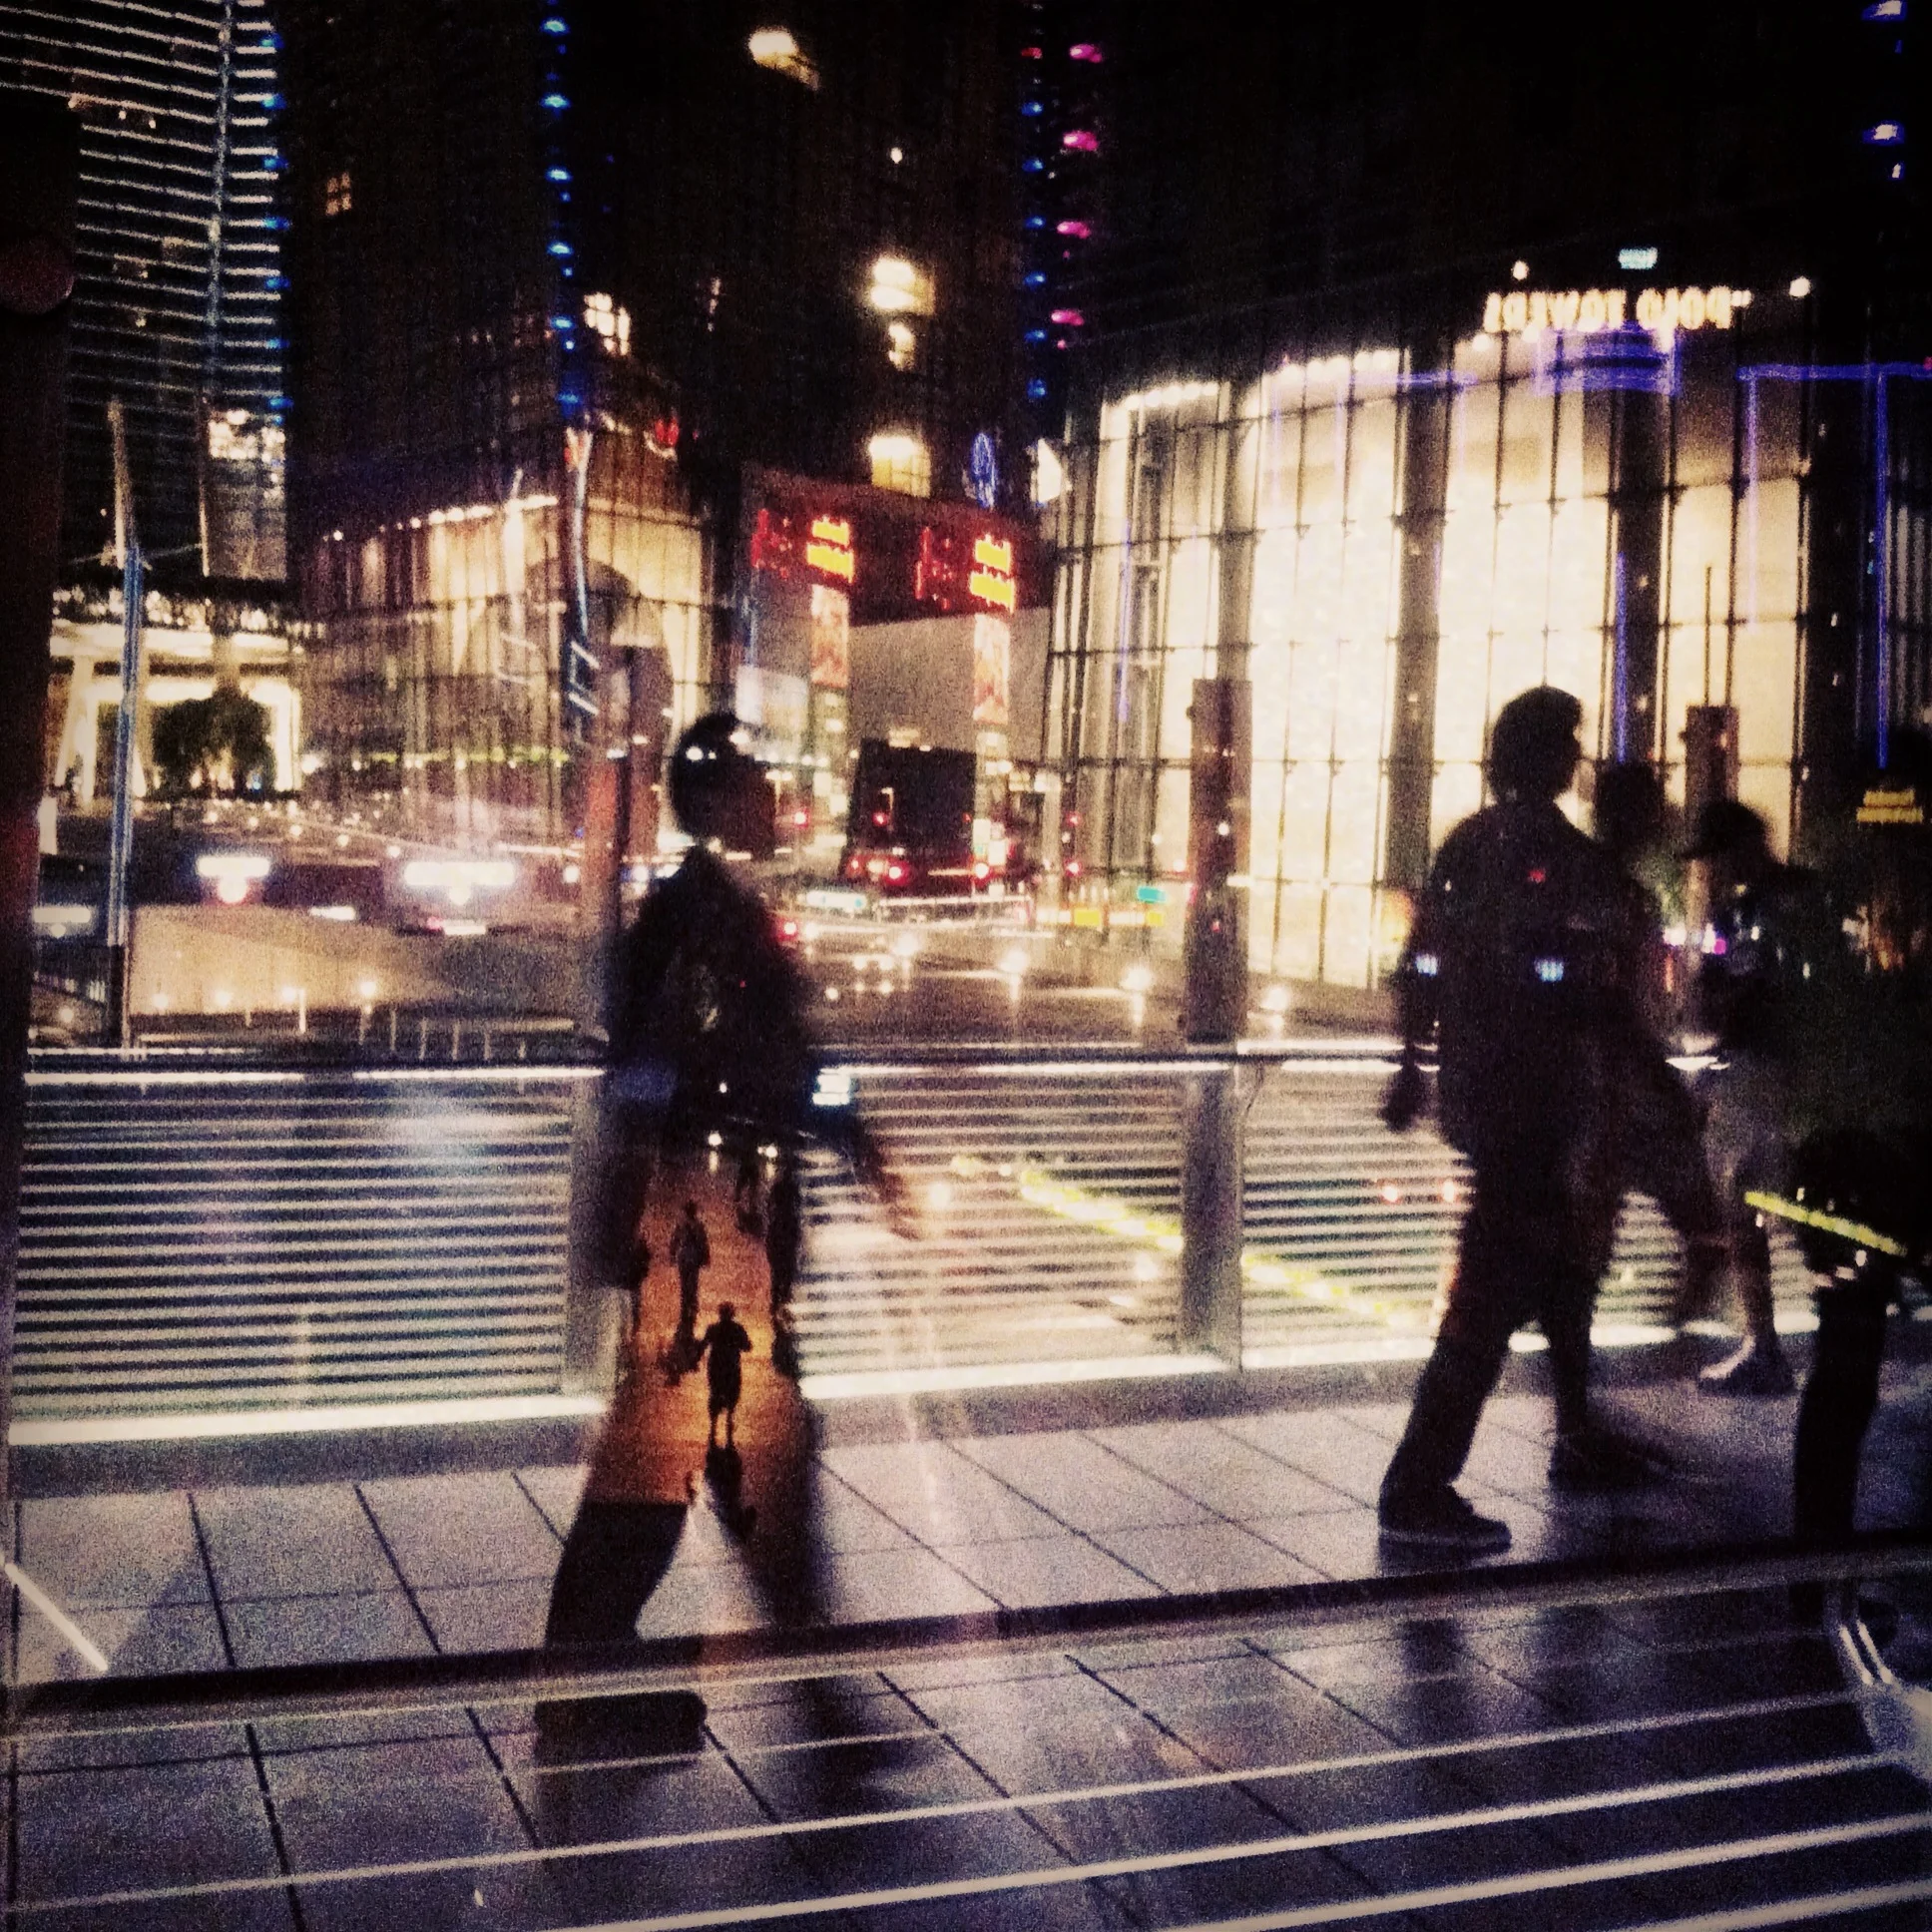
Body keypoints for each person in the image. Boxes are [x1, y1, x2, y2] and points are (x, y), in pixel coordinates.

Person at [1379, 687, 1650, 1552]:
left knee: (1552, 1274)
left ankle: (1569, 1434)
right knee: (1492, 1292)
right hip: (1539, 1104)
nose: (1577, 757)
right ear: (1546, 756)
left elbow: (1421, 961)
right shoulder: (1564, 860)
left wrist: (1412, 1067)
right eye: (1569, 742)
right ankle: (1419, 1485)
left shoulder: (1468, 844)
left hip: (1482, 1095)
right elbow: (1593, 992)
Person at [1683, 799, 1846, 1393]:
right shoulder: (1811, 897)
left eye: (1711, 859)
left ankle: (1768, 1345)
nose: (1707, 871)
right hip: (1805, 1077)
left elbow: (1716, 1001)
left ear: (1736, 851)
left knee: (1748, 1201)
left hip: (1768, 1078)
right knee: (1795, 1201)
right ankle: (1826, 1335)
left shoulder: (1743, 913)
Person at [1580, 762, 1730, 1336]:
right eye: (1654, 808)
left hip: (1601, 1085)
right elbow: (1616, 1004)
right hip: (1619, 1086)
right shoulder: (1617, 895)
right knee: (1687, 1202)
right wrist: (1661, 1079)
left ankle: (1574, 1371)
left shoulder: (1602, 885)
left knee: (1596, 1219)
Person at [698, 1300, 754, 1450]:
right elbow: (748, 1346)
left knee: (715, 1392)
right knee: (732, 1393)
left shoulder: (713, 1329)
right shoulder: (737, 1329)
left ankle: (713, 1425)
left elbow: (703, 1345)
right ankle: (729, 1418)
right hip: (731, 1366)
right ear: (732, 1314)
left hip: (715, 1366)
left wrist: (695, 1358)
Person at [670, 1200, 710, 1337]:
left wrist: (672, 1254)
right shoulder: (698, 1226)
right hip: (694, 1258)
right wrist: (705, 1257)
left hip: (683, 1258)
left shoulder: (681, 1225)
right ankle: (691, 1306)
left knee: (684, 1284)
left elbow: (674, 1240)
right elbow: (703, 1243)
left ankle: (685, 1306)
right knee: (693, 1283)